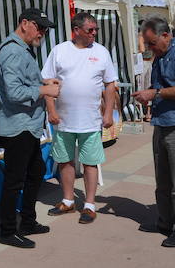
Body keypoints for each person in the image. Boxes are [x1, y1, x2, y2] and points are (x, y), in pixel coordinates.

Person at [42, 12, 118, 224]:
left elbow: (110, 84)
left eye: (95, 30)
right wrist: (51, 110)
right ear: (76, 30)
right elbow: (48, 83)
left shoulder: (101, 52)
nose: (94, 34)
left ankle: (90, 205)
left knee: (90, 163)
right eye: (90, 30)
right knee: (65, 161)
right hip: (63, 119)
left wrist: (108, 112)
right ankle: (67, 201)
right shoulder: (59, 51)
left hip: (91, 120)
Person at [0, 8, 61, 248]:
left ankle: (29, 221)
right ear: (25, 23)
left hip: (27, 125)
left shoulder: (21, 49)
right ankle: (8, 231)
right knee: (14, 180)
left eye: (44, 29)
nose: (42, 33)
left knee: (35, 172)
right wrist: (45, 90)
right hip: (18, 125)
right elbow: (13, 93)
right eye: (40, 27)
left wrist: (41, 82)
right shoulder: (13, 52)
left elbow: (22, 82)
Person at [133, 17, 175, 248]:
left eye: (152, 43)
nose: (150, 48)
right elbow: (158, 88)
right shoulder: (159, 57)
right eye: (147, 44)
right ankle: (164, 221)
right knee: (162, 180)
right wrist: (148, 95)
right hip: (162, 123)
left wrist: (155, 94)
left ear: (165, 35)